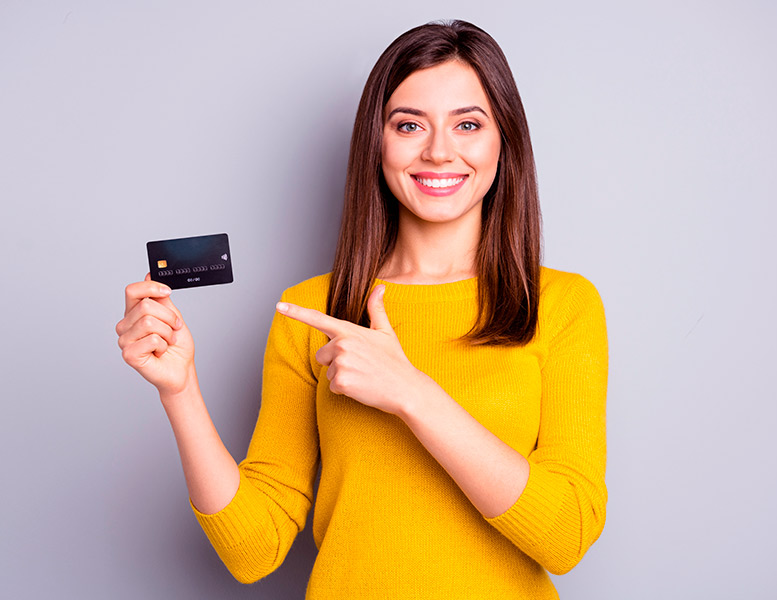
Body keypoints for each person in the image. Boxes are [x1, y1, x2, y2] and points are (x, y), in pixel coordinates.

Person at [116, 20, 608, 599]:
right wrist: (180, 391)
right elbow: (254, 550)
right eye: (409, 125)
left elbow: (567, 535)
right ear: (377, 142)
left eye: (468, 124)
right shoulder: (310, 311)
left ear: (505, 142)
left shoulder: (560, 305)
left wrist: (410, 391)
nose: (439, 151)